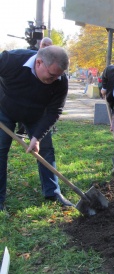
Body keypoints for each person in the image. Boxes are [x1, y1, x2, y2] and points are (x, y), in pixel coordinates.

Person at [0, 45, 73, 211]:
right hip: (5, 110)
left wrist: (37, 136)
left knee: (46, 151)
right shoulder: (11, 60)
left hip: (36, 115)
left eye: (59, 76)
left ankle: (53, 192)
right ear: (39, 63)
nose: (55, 80)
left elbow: (55, 111)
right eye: (52, 75)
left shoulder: (60, 81)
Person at [16, 37, 54, 138]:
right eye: (44, 44)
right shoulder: (29, 56)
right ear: (40, 45)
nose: (46, 47)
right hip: (24, 96)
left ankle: (38, 137)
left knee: (45, 145)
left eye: (48, 45)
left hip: (42, 102)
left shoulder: (55, 61)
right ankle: (21, 132)